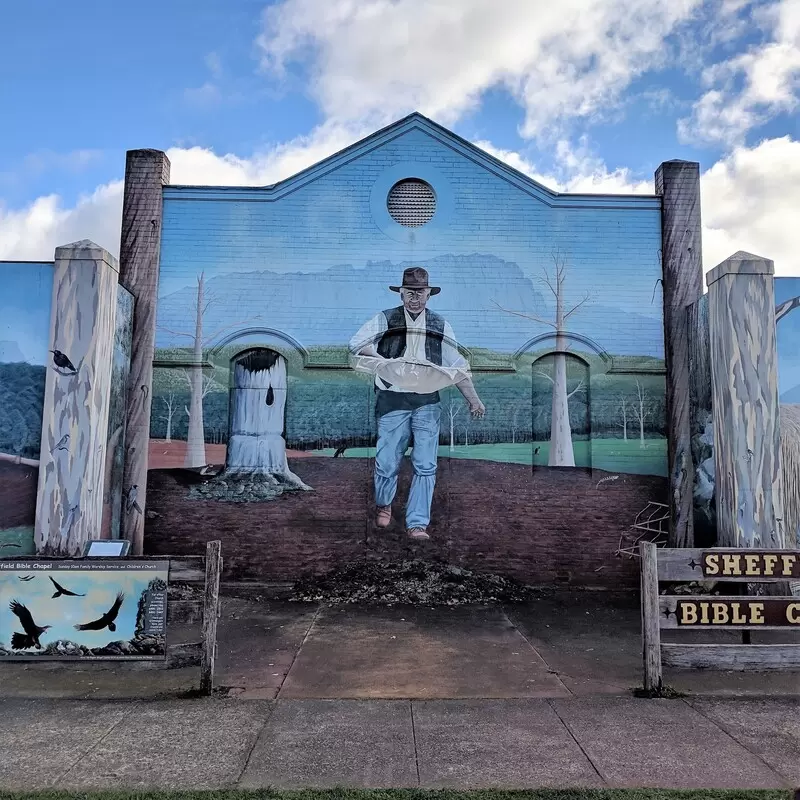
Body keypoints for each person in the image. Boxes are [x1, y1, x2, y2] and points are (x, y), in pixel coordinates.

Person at [349, 267, 485, 540]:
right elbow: (357, 344)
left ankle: (417, 523)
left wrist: (473, 400)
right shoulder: (385, 319)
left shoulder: (439, 324)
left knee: (426, 464)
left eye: (420, 292)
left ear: (428, 294)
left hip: (426, 401)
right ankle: (384, 504)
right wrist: (382, 361)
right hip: (391, 398)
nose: (414, 298)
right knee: (387, 461)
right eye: (409, 292)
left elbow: (456, 364)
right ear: (401, 293)